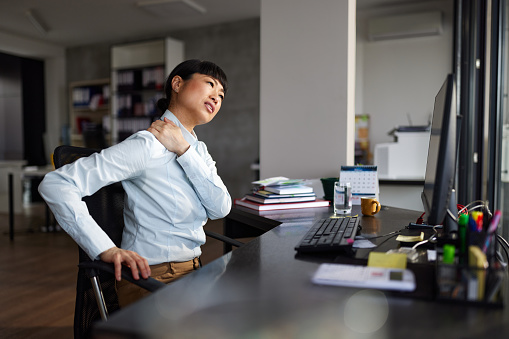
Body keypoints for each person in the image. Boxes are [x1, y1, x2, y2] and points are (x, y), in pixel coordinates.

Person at [39, 59, 231, 306]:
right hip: (155, 277)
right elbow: (56, 184)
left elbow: (221, 208)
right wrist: (104, 248)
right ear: (177, 83)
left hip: (195, 271)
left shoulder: (198, 151)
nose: (216, 97)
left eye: (222, 95)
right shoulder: (147, 145)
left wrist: (184, 150)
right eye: (210, 85)